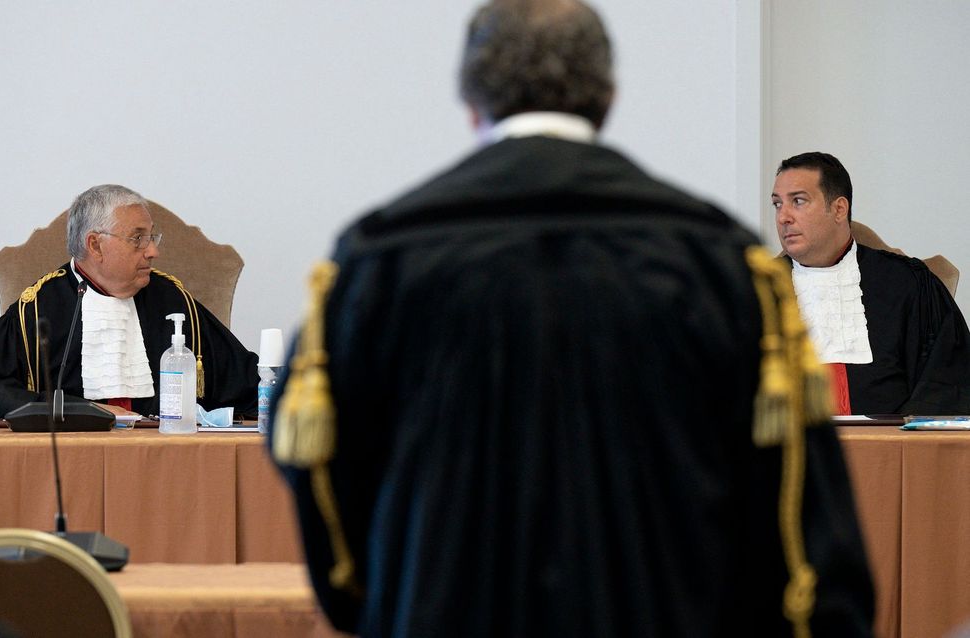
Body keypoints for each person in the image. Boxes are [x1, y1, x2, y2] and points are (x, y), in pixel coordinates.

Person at [269, 1, 874, 636]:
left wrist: (381, 595)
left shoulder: (380, 259)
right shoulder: (718, 261)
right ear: (607, 98)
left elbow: (319, 460)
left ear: (471, 101)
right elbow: (796, 508)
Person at [0, 184, 259, 419]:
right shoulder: (38, 308)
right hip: (70, 463)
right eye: (138, 238)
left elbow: (249, 383)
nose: (152, 251)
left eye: (152, 238)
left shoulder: (173, 300)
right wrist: (74, 411)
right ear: (95, 244)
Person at [772, 151, 970, 415]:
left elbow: (946, 382)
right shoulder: (753, 290)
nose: (783, 217)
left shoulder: (908, 283)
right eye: (777, 204)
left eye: (798, 201)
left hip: (890, 449)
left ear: (839, 209)